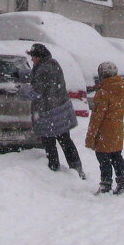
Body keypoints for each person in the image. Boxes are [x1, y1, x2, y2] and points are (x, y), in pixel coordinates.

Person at [25, 43, 86, 179]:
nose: (32, 60)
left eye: (33, 57)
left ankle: (53, 171)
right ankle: (76, 169)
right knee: (65, 140)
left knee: (49, 141)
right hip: (60, 110)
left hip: (49, 112)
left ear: (39, 57)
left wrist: (21, 90)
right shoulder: (53, 64)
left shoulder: (43, 69)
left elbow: (36, 92)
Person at [85, 61, 124, 195]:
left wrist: (91, 136)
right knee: (117, 156)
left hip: (104, 130)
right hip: (117, 128)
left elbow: (97, 117)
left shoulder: (103, 92)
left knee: (103, 158)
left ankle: (105, 184)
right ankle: (122, 182)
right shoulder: (121, 88)